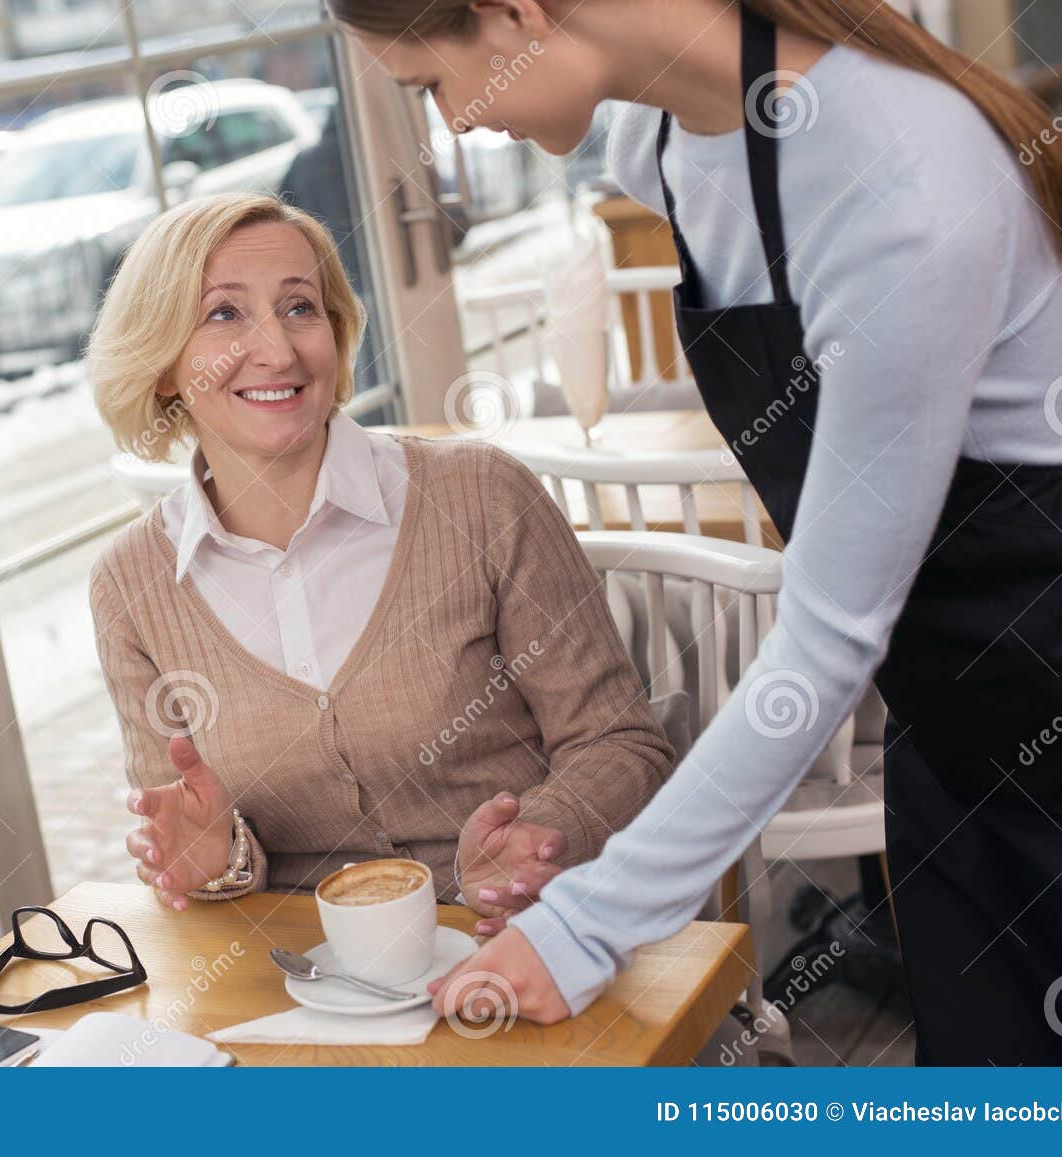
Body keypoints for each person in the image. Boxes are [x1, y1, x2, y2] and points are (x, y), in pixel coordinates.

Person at [333, 0, 1062, 1063]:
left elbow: (826, 641)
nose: (451, 130)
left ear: (515, 14)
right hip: (950, 724)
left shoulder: (896, 180)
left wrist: (585, 922)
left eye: (426, 89)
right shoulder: (662, 135)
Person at [86, 191, 676, 923]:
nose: (278, 349)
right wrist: (218, 859)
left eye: (300, 308)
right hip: (301, 978)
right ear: (164, 366)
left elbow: (620, 742)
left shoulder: (483, 498)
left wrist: (542, 834)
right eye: (224, 314)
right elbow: (189, 831)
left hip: (525, 931)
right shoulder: (130, 584)